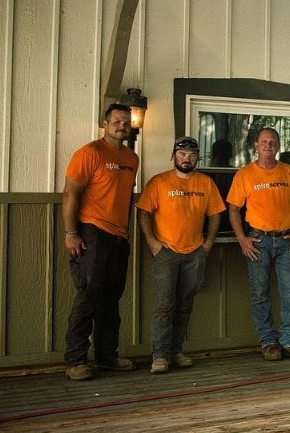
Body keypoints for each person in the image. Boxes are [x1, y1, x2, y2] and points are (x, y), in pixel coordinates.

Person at [61, 103, 140, 380]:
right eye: (116, 121)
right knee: (89, 295)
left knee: (111, 297)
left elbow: (127, 197)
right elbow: (70, 193)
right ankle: (75, 360)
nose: (122, 125)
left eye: (126, 122)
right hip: (92, 232)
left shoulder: (132, 158)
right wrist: (71, 233)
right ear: (105, 124)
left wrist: (126, 231)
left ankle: (107, 356)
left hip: (119, 236)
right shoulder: (89, 153)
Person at [137, 136, 225, 374]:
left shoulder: (206, 183)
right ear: (173, 155)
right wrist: (153, 243)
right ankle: (160, 356)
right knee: (165, 305)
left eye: (192, 155)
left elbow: (216, 213)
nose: (187, 159)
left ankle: (175, 351)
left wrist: (207, 244)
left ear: (198, 158)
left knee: (185, 304)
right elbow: (143, 212)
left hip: (195, 252)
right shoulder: (159, 182)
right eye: (183, 154)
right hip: (166, 252)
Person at [227, 127, 290, 361]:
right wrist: (242, 238)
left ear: (278, 145)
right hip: (258, 240)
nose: (268, 145)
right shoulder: (245, 174)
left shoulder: (287, 172)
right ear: (256, 145)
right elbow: (233, 209)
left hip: (286, 240)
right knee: (260, 293)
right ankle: (269, 342)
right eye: (264, 141)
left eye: (273, 142)